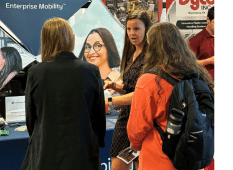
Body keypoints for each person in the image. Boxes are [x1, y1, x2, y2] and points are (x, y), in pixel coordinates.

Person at [21, 18, 106, 170]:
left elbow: (31, 118)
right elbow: (99, 117)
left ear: (45, 41)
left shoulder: (35, 72)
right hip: (83, 153)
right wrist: (98, 142)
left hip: (45, 152)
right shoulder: (91, 71)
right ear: (71, 38)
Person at [127, 22, 214, 170]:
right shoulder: (198, 74)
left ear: (151, 46)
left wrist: (134, 146)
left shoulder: (149, 80)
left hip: (159, 159)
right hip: (193, 157)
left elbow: (138, 127)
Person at [104, 10, 152, 170]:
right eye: (129, 29)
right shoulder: (131, 53)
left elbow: (141, 95)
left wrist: (109, 101)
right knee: (118, 163)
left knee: (140, 164)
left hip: (143, 121)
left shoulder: (150, 57)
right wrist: (115, 86)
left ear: (146, 29)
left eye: (137, 29)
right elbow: (131, 89)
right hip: (126, 118)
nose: (132, 33)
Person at [78, 28, 121, 114]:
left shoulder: (121, 80)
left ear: (109, 49)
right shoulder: (79, 80)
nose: (91, 52)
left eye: (98, 46)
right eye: (87, 47)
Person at [189, 6, 214, 80]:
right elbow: (189, 63)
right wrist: (208, 61)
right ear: (208, 20)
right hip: (205, 83)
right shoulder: (196, 40)